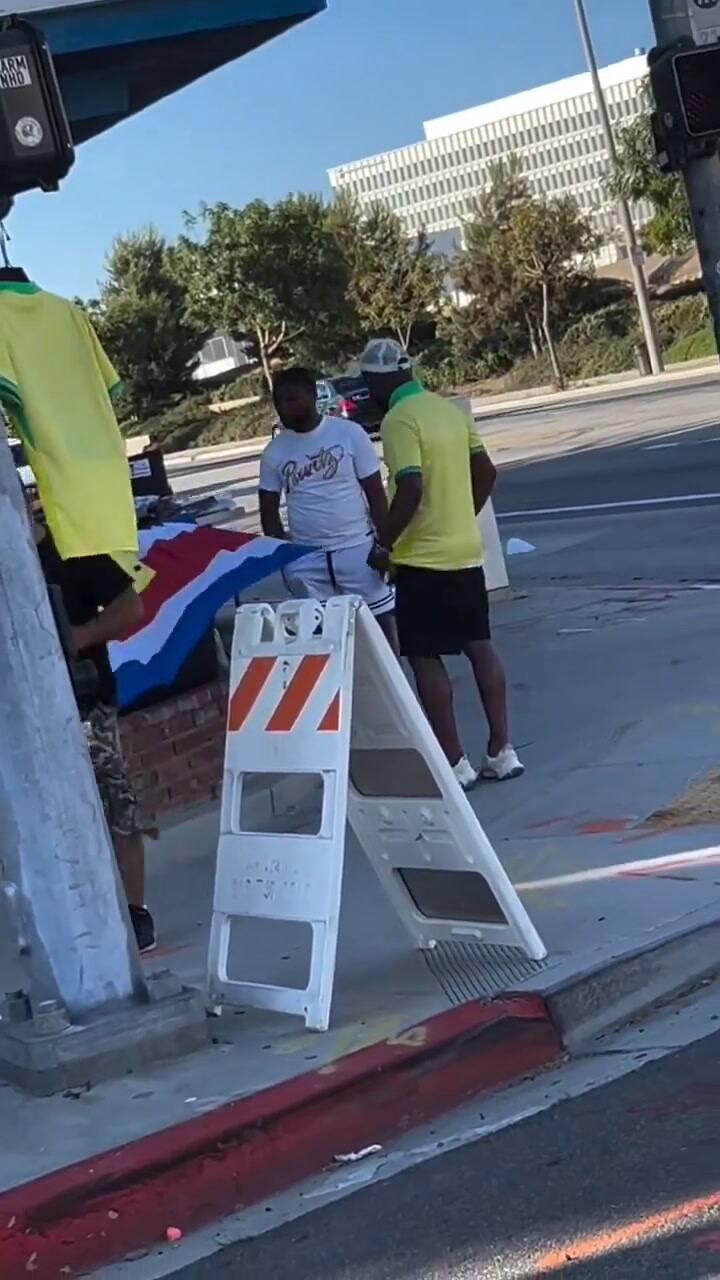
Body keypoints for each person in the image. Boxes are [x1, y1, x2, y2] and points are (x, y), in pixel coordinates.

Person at [360, 338, 523, 789]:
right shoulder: (448, 411)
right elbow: (486, 471)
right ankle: (502, 750)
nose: (368, 393)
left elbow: (409, 486)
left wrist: (384, 545)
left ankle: (455, 763)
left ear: (381, 379)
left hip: (422, 558)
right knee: (478, 644)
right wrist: (460, 514)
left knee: (425, 656)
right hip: (465, 551)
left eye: (368, 383)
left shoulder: (399, 419)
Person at [30, 506, 156, 953]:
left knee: (116, 803)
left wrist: (77, 638)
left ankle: (135, 911)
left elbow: (130, 605)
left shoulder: (71, 547)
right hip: (23, 713)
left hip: (86, 704)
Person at [258, 366, 399, 652]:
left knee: (382, 629)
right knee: (323, 643)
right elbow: (268, 511)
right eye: (279, 403)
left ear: (312, 396)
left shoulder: (348, 434)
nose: (285, 408)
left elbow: (375, 492)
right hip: (307, 559)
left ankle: (394, 689)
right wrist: (285, 558)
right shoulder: (275, 451)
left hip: (358, 550)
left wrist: (385, 545)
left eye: (292, 399)